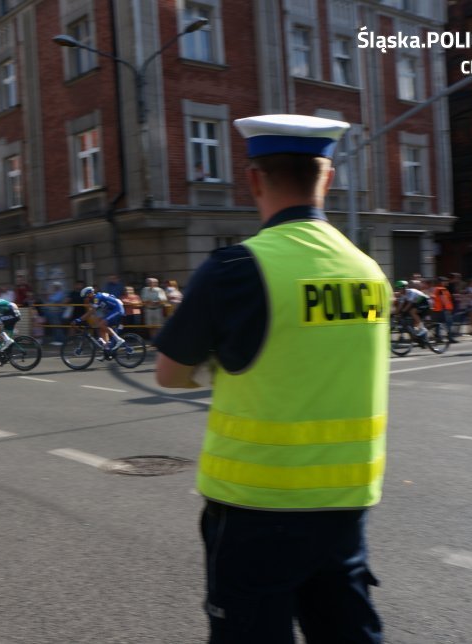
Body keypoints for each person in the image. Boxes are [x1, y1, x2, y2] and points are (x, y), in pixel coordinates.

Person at [155, 114, 388, 643]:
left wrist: (221, 364)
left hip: (255, 507)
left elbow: (169, 373)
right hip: (345, 505)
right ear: (328, 178)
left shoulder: (236, 268)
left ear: (254, 179)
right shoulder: (370, 272)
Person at [75, 286, 126, 360]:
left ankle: (119, 340)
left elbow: (91, 312)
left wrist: (79, 320)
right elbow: (96, 314)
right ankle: (107, 351)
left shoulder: (97, 298)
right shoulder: (96, 299)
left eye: (85, 297)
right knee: (101, 328)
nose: (85, 299)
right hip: (114, 310)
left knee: (101, 324)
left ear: (90, 294)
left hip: (117, 309)